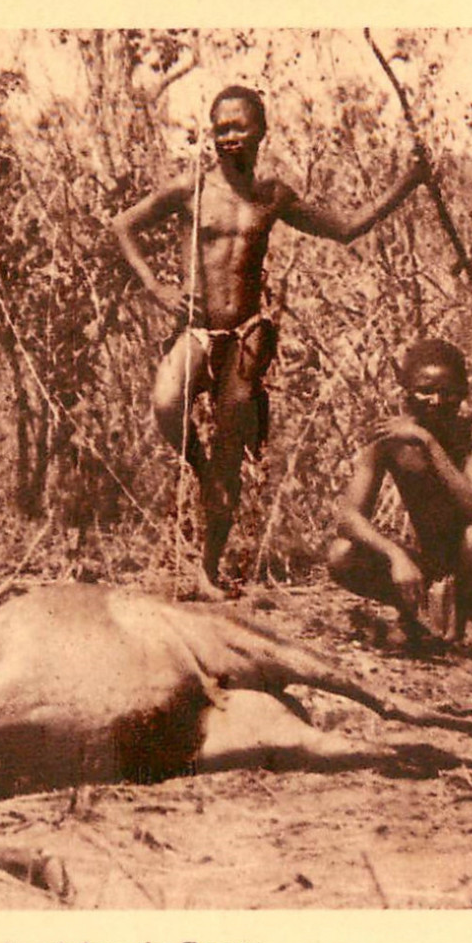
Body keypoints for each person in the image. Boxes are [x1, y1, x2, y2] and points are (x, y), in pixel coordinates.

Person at [112, 83, 430, 599]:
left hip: (246, 334)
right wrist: (155, 286)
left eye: (239, 127)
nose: (229, 137)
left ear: (261, 131)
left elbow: (345, 227)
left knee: (232, 450)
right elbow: (123, 225)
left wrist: (409, 182)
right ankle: (199, 468)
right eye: (220, 128)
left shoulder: (273, 196)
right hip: (198, 328)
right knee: (168, 402)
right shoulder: (191, 188)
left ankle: (209, 571)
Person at [325, 339, 472, 664]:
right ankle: (425, 618)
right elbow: (348, 517)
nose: (437, 401)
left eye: (450, 392)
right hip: (436, 566)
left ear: (465, 392)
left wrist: (428, 443)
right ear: (405, 390)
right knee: (341, 553)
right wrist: (397, 555)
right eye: (425, 390)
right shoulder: (390, 438)